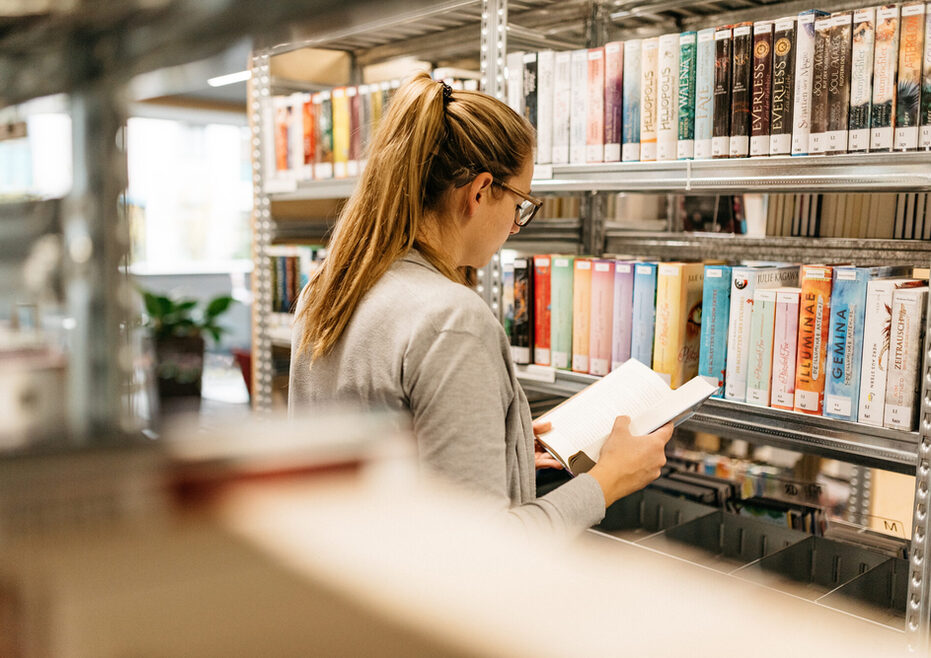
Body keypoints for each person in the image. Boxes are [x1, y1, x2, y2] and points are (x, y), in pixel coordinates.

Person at [288, 73, 672, 534]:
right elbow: (487, 549)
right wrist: (608, 480)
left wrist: (496, 448)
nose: (515, 226)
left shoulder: (327, 288)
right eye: (520, 205)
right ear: (479, 191)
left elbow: (393, 466)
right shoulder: (451, 319)